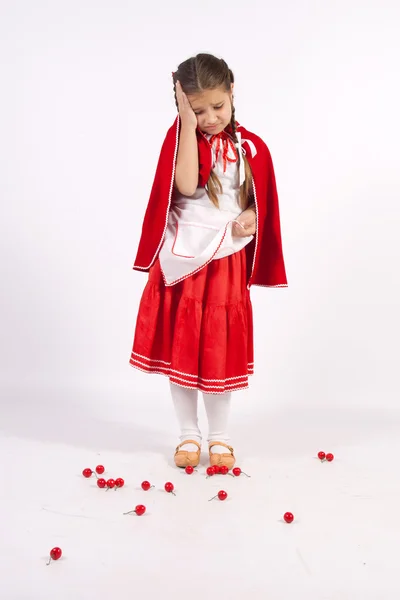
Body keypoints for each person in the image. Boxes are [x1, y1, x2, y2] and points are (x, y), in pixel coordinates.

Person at [129, 53, 287, 470]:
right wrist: (185, 121)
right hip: (182, 260)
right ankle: (187, 434)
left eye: (217, 106)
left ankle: (219, 437)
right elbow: (183, 182)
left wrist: (254, 217)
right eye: (199, 109)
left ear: (232, 92)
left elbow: (258, 202)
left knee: (218, 349)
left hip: (225, 263)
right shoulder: (183, 137)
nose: (211, 117)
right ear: (183, 106)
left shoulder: (251, 147)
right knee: (183, 350)